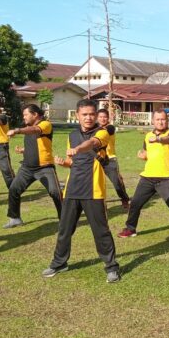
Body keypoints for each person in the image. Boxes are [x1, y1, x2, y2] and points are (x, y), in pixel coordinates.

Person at [43, 99, 120, 283]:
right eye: (84, 114)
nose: (88, 118)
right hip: (72, 189)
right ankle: (59, 262)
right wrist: (64, 162)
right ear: (77, 115)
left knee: (100, 231)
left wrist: (77, 149)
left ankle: (111, 267)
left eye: (92, 114)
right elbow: (74, 161)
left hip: (93, 190)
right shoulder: (72, 135)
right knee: (64, 229)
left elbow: (92, 144)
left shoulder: (102, 132)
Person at [118, 109, 169, 245]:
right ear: (153, 121)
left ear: (167, 120)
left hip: (166, 178)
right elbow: (147, 153)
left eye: (163, 119)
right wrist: (143, 156)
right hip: (147, 177)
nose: (160, 122)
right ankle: (131, 228)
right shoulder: (147, 136)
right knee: (135, 203)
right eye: (158, 119)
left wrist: (159, 139)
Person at [2, 104, 63, 228]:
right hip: (27, 168)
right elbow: (37, 145)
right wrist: (24, 150)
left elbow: (36, 130)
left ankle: (65, 218)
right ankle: (15, 218)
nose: (23, 117)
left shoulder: (45, 124)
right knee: (14, 189)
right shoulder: (28, 127)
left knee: (55, 192)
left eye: (25, 114)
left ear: (35, 114)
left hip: (45, 167)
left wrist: (17, 130)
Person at [97, 108, 130, 209]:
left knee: (116, 182)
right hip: (97, 159)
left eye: (105, 117)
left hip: (110, 159)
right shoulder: (94, 128)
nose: (103, 119)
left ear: (108, 118)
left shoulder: (110, 128)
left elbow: (105, 132)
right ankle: (100, 204)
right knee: (97, 183)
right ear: (97, 118)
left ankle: (124, 198)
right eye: (100, 117)